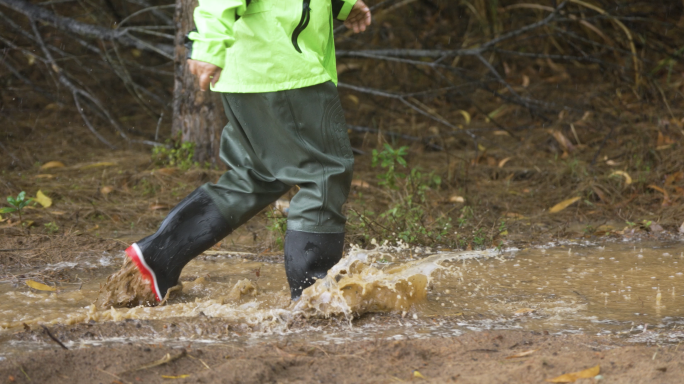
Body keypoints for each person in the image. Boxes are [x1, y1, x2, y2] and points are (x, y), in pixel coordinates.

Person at [123, 0, 372, 303]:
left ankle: (159, 257)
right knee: (323, 173)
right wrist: (209, 44)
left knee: (257, 175)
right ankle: (315, 297)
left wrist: (340, 5)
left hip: (253, 70)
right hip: (284, 67)